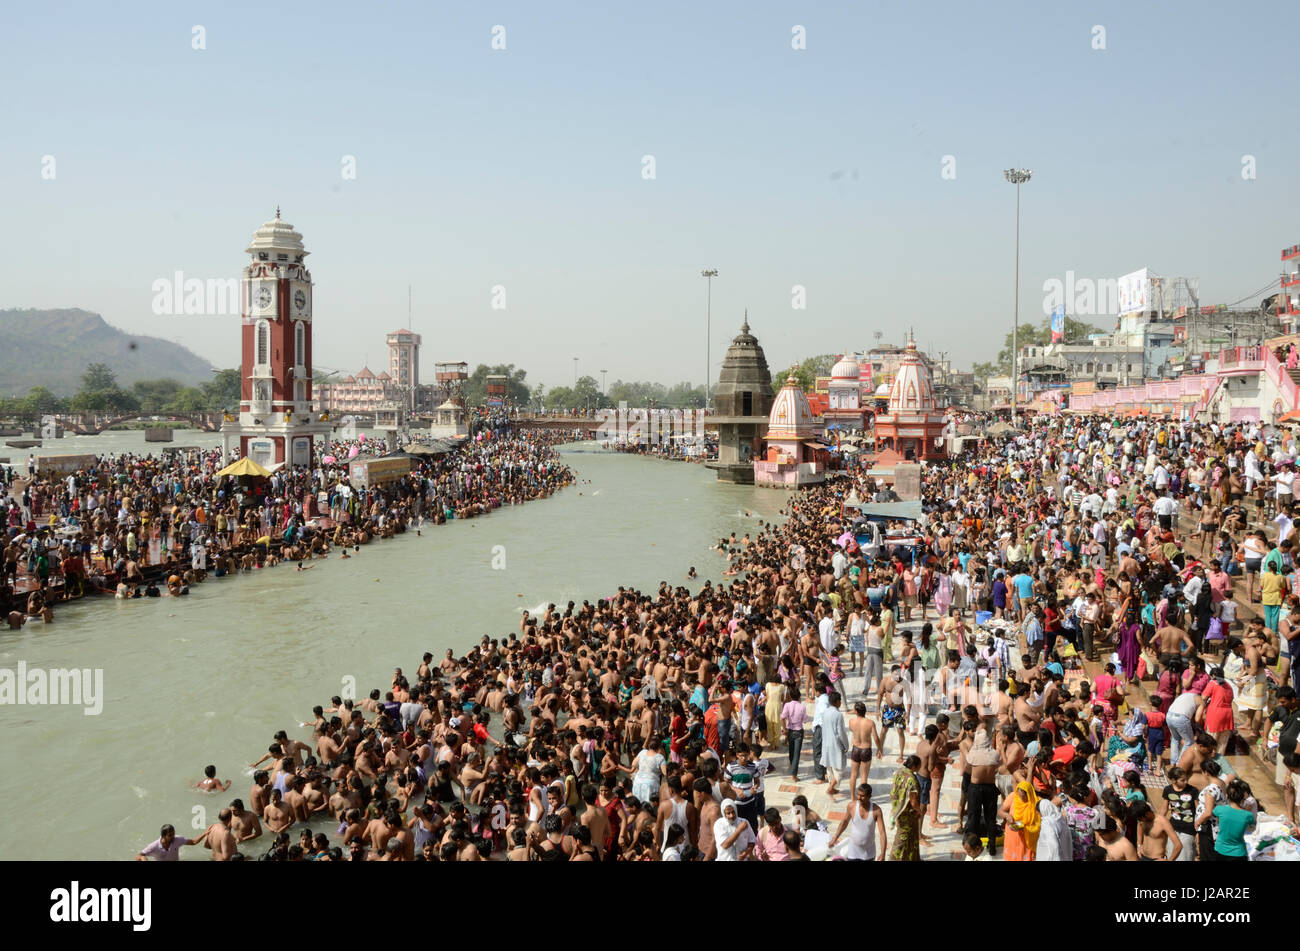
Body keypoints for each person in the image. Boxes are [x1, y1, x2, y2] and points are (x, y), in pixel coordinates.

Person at [829, 783, 886, 861]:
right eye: (858, 794)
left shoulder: (876, 811)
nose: (859, 798)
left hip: (869, 853)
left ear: (869, 797)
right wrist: (835, 838)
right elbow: (844, 822)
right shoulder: (851, 806)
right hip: (853, 851)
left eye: (862, 796)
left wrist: (883, 853)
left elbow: (882, 833)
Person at [1211, 779, 1257, 862]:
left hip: (1220, 850)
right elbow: (1251, 823)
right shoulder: (1248, 815)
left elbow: (1216, 818)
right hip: (1239, 853)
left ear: (1227, 796)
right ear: (1243, 797)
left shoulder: (1219, 810)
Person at [889, 755, 923, 861]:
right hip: (907, 813)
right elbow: (913, 801)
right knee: (902, 838)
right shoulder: (912, 779)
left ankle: (912, 858)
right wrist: (919, 811)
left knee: (912, 836)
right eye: (919, 765)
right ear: (915, 766)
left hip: (897, 808)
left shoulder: (899, 771)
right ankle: (893, 858)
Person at [1000, 780, 1040, 861]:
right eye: (1020, 795)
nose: (1021, 798)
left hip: (1027, 838)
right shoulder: (1013, 796)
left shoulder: (1036, 802)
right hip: (1012, 836)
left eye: (1024, 797)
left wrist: (1027, 827)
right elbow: (1000, 811)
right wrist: (1007, 816)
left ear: (1029, 794)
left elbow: (1040, 821)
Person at [135, 824, 201, 861]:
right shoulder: (154, 846)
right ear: (163, 836)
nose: (173, 837)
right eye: (170, 835)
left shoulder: (177, 839)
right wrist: (143, 858)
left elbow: (193, 842)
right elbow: (138, 855)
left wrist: (206, 833)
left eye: (173, 834)